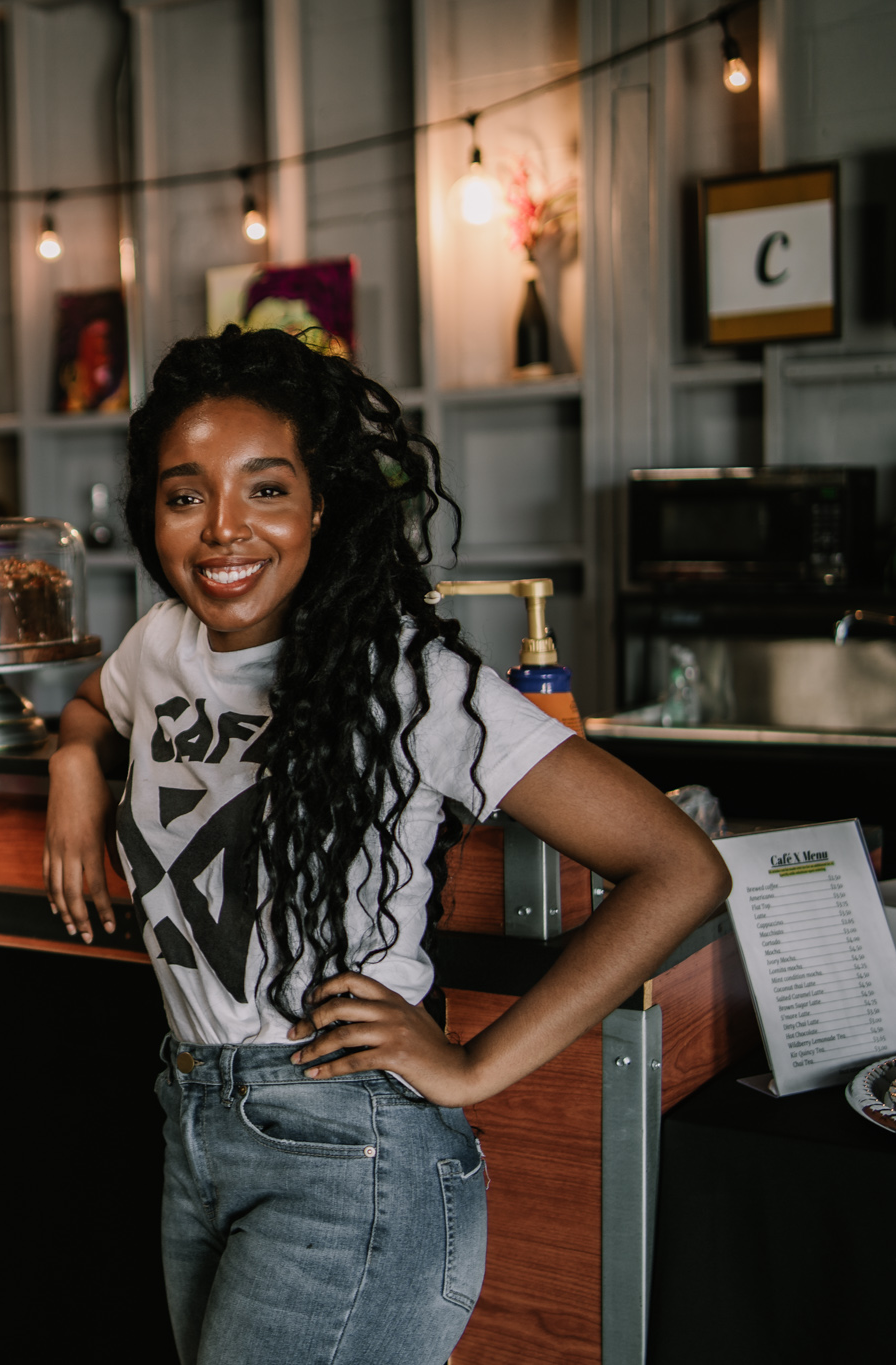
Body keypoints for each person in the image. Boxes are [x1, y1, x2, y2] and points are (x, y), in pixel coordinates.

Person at [42, 327, 729, 1365]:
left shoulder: (405, 677)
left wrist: (470, 1068)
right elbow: (94, 701)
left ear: (321, 502)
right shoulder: (161, 643)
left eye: (265, 490)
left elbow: (678, 866)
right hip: (192, 1122)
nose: (223, 531)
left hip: (347, 1147)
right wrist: (72, 764)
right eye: (186, 496)